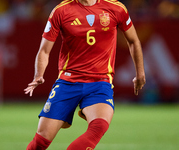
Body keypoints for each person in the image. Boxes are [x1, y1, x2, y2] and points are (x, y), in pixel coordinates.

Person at [24, 0, 146, 149]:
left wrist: (140, 73)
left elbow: (133, 40)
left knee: (99, 126)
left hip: (100, 82)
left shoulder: (116, 8)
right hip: (67, 82)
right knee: (40, 142)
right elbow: (44, 50)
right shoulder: (61, 11)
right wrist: (39, 74)